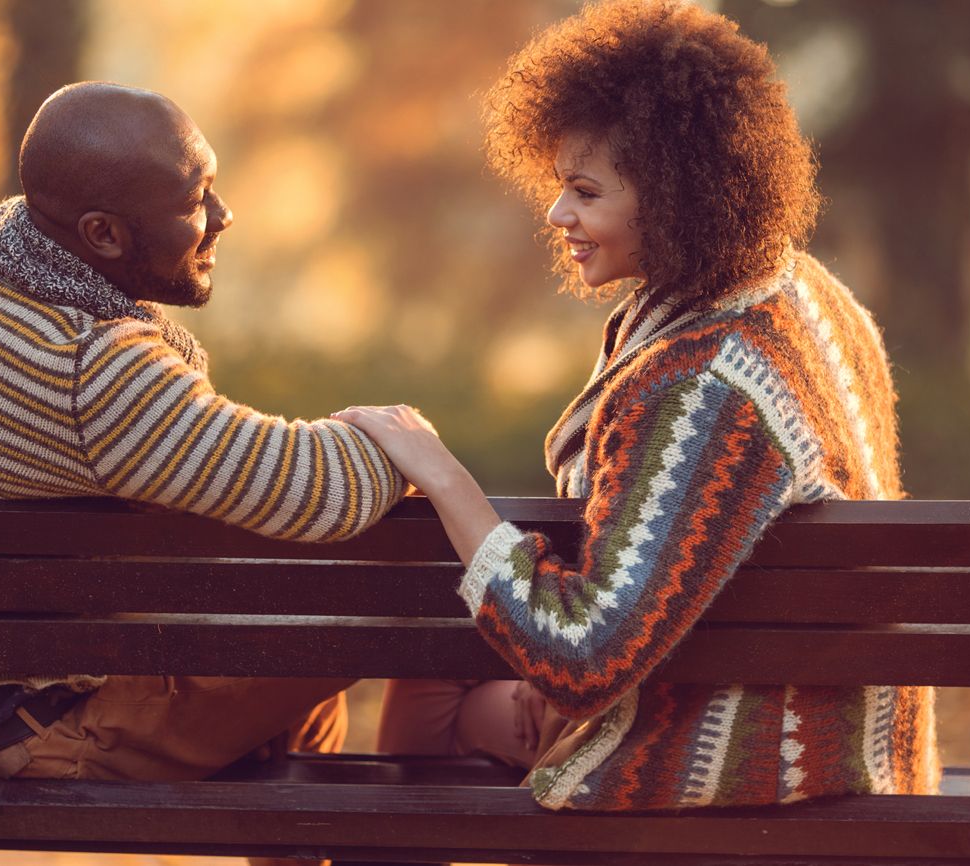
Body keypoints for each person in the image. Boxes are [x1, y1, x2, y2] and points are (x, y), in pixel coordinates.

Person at [337, 0, 939, 811]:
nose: (558, 215)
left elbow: (583, 659)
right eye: (559, 187)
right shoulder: (797, 292)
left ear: (678, 195)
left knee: (426, 701)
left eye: (585, 191)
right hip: (823, 704)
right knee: (438, 662)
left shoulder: (705, 387)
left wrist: (443, 479)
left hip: (754, 742)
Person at [0, 81, 407, 783]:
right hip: (17, 738)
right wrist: (411, 443)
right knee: (357, 620)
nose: (224, 215)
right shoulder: (91, 371)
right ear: (102, 234)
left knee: (281, 658)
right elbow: (319, 491)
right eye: (196, 201)